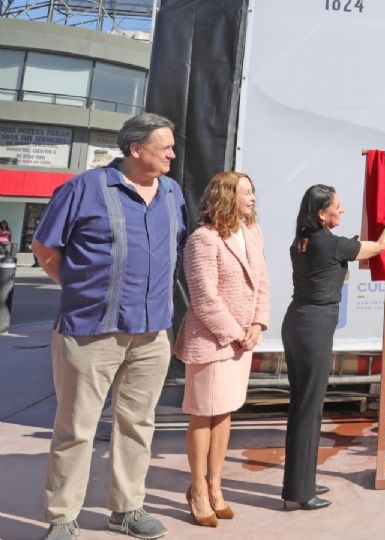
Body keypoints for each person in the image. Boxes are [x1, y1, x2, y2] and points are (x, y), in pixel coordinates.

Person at [32, 113, 186, 540]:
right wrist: (79, 289)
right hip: (90, 331)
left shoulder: (172, 192)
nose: (173, 154)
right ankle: (62, 517)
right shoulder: (85, 189)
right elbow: (45, 247)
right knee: (76, 427)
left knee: (138, 423)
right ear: (136, 150)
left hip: (152, 332)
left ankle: (128, 510)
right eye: (165, 147)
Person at [281, 185, 385, 509]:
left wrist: (346, 244)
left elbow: (339, 252)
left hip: (296, 323)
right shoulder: (329, 244)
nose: (342, 210)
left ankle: (301, 483)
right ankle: (301, 492)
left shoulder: (305, 240)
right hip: (315, 328)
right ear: (322, 213)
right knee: (309, 409)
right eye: (337, 206)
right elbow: (380, 246)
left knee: (303, 406)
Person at [173, 172, 270, 527]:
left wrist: (257, 324)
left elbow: (262, 283)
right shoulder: (203, 239)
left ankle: (216, 487)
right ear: (225, 196)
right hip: (212, 341)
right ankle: (197, 489)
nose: (253, 197)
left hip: (241, 342)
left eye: (253, 190)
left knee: (225, 412)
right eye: (246, 191)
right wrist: (234, 333)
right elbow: (203, 297)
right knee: (204, 413)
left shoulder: (253, 233)